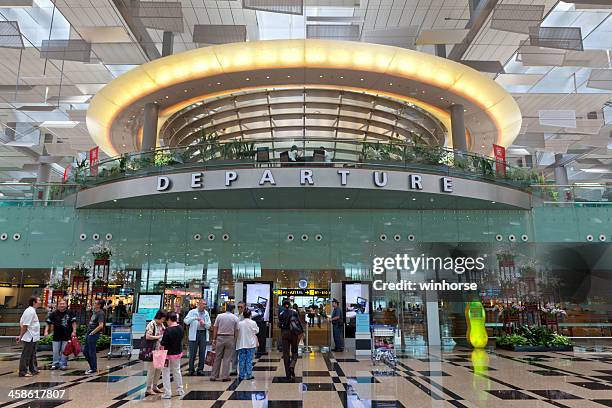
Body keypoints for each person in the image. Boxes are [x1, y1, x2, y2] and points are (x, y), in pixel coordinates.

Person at [44, 299, 76, 370]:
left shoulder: (70, 312)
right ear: (57, 305)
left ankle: (63, 364)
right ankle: (55, 364)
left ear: (66, 305)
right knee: (55, 351)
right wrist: (46, 331)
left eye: (63, 304)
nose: (62, 305)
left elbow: (73, 322)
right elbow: (48, 323)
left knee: (64, 351)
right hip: (56, 335)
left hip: (67, 335)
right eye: (60, 304)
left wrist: (74, 331)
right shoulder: (53, 313)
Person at [210, 303, 239, 382]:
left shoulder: (219, 316)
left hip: (220, 337)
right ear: (233, 309)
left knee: (217, 357)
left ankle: (214, 375)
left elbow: (215, 327)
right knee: (227, 358)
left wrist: (214, 339)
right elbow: (236, 330)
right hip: (230, 337)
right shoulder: (235, 318)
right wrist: (235, 339)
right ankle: (225, 376)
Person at [184, 299, 212, 376]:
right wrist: (194, 318)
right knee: (192, 352)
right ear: (198, 304)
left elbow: (209, 325)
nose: (204, 306)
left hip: (203, 333)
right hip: (194, 333)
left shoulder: (206, 313)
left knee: (202, 353)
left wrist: (204, 324)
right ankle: (191, 369)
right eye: (203, 304)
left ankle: (200, 370)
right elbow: (186, 321)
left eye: (205, 304)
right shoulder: (192, 312)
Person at [160, 312, 184, 399]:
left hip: (167, 354)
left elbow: (163, 343)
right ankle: (180, 390)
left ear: (169, 320)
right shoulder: (180, 328)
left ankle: (167, 393)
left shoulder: (168, 330)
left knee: (165, 372)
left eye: (167, 320)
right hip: (177, 353)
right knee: (177, 371)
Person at [17, 296, 41, 377]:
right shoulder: (30, 311)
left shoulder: (32, 311)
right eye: (39, 300)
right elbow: (24, 325)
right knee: (26, 355)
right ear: (34, 302)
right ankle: (23, 371)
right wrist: (20, 336)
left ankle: (33, 369)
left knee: (32, 354)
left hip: (33, 337)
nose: (40, 302)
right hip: (29, 336)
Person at [279, 299, 302, 381]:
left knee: (286, 354)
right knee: (295, 352)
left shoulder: (281, 314)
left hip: (285, 334)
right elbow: (299, 323)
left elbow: (279, 325)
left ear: (283, 305)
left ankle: (288, 375)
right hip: (294, 334)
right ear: (289, 305)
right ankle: (292, 365)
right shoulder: (294, 312)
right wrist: (301, 332)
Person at [144, 310, 166, 396]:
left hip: (160, 349)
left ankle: (155, 386)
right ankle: (148, 388)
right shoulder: (151, 324)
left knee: (158, 369)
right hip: (152, 349)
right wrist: (158, 337)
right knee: (151, 370)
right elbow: (148, 336)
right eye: (162, 319)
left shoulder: (161, 325)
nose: (163, 321)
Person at [236, 308, 259, 381]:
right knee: (249, 360)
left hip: (241, 344)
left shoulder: (240, 323)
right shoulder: (253, 323)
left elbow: (237, 332)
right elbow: (256, 331)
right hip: (250, 344)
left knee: (241, 360)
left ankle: (241, 375)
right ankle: (249, 374)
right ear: (250, 315)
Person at [83, 299, 105, 374]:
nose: (93, 304)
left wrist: (93, 332)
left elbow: (101, 325)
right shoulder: (94, 312)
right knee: (85, 351)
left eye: (95, 303)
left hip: (93, 334)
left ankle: (93, 368)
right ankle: (92, 366)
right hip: (89, 333)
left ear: (99, 305)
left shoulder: (100, 313)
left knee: (91, 351)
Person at [230, 301, 246, 376]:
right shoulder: (234, 315)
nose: (239, 308)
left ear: (244, 307)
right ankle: (234, 369)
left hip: (243, 337)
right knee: (234, 354)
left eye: (241, 307)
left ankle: (243, 370)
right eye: (238, 307)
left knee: (243, 354)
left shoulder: (246, 316)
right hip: (235, 337)